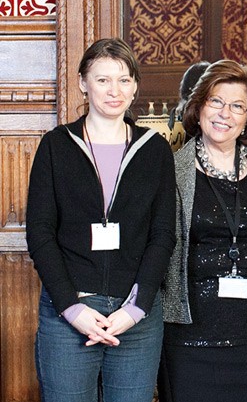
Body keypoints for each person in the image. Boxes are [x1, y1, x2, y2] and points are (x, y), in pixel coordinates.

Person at [26, 37, 176, 402]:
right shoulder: (56, 145)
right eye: (103, 79)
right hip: (70, 314)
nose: (115, 91)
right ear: (83, 83)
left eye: (124, 80)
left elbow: (163, 234)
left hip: (135, 317)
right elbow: (41, 233)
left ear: (136, 85)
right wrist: (71, 307)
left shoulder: (154, 148)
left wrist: (137, 307)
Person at [161, 60, 247, 402]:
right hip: (189, 341)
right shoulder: (170, 171)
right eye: (216, 101)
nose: (224, 114)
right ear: (198, 106)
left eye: (237, 106)